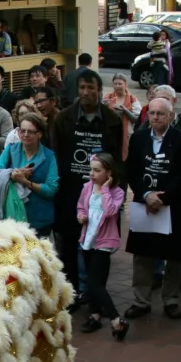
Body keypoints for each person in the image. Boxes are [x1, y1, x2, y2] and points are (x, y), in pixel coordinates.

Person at [51, 69, 124, 307]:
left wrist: (115, 193)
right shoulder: (64, 118)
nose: (85, 92)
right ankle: (71, 295)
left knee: (99, 248)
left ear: (99, 90)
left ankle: (96, 296)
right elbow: (57, 154)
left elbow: (117, 159)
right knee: (69, 246)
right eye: (82, 88)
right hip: (71, 193)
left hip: (101, 194)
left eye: (90, 88)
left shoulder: (112, 120)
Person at [125, 98, 181, 320]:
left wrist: (163, 198)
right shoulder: (137, 138)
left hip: (173, 205)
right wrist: (146, 195)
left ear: (171, 116)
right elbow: (132, 171)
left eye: (160, 113)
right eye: (152, 113)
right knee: (142, 256)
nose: (155, 117)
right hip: (144, 205)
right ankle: (141, 301)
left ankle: (171, 300)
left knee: (174, 257)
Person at [76, 152, 127, 339]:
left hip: (103, 243)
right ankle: (95, 315)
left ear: (109, 173)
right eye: (91, 170)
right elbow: (81, 206)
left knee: (96, 283)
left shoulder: (117, 192)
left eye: (97, 171)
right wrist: (80, 215)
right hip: (88, 239)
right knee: (93, 281)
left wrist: (105, 189)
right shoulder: (87, 187)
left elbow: (111, 211)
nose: (92, 174)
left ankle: (116, 320)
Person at [0, 112, 59, 237]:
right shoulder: (10, 150)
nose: (26, 135)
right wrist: (12, 174)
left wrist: (26, 182)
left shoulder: (49, 157)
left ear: (39, 134)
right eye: (22, 131)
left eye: (31, 131)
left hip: (39, 220)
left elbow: (51, 190)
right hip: (11, 218)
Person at [103, 73, 141, 161]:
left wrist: (125, 110)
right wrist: (103, 107)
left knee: (126, 157)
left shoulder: (132, 99)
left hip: (127, 134)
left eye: (120, 84)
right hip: (111, 133)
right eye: (115, 84)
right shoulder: (108, 97)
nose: (117, 86)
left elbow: (137, 120)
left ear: (125, 85)